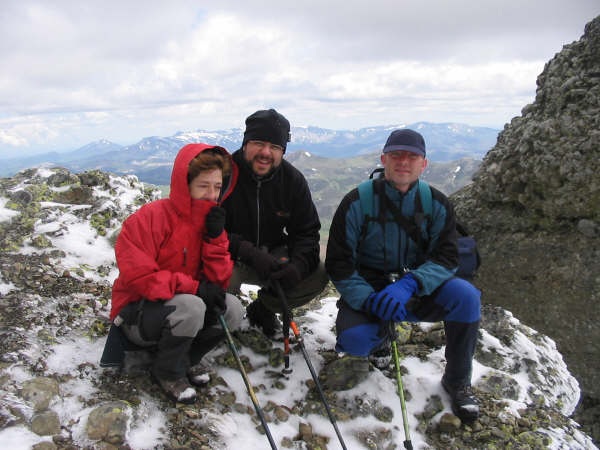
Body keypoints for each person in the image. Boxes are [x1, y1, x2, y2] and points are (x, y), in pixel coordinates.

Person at [323, 129, 481, 422]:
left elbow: (447, 257)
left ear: (424, 164)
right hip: (371, 288)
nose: (403, 162)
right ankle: (380, 338)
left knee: (466, 297)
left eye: (412, 156)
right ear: (384, 159)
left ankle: (458, 380)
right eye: (396, 155)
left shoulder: (436, 203)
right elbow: (339, 262)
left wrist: (412, 283)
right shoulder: (357, 202)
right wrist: (368, 300)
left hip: (418, 288)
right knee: (355, 341)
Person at [104, 143, 244, 404]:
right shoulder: (150, 218)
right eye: (203, 186)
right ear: (184, 184)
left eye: (217, 186)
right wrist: (194, 288)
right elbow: (140, 278)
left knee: (233, 308)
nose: (212, 195)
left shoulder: (210, 225)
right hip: (136, 315)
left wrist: (215, 240)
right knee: (191, 306)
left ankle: (186, 359)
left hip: (178, 311)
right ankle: (167, 372)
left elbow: (218, 282)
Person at [221, 108, 328, 337]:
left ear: (282, 151)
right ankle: (217, 324)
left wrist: (297, 266)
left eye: (275, 147)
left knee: (317, 273)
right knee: (217, 274)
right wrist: (248, 252)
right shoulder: (222, 175)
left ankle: (263, 309)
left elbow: (307, 232)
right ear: (245, 143)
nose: (266, 152)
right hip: (230, 256)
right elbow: (205, 229)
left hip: (273, 256)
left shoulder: (292, 180)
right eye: (259, 143)